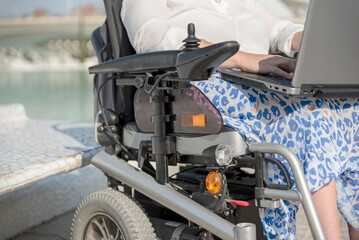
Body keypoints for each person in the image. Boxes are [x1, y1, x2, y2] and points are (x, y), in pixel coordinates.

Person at [121, 0, 359, 239]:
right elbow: (149, 35)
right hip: (198, 87)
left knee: (352, 109)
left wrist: (321, 37)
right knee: (311, 118)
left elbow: (279, 31)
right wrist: (247, 59)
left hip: (258, 80)